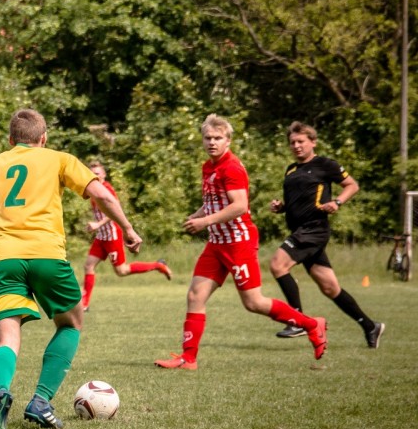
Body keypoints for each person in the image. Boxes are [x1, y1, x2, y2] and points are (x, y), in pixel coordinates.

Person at [0, 108, 143, 429]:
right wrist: (127, 228)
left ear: (10, 140)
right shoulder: (59, 159)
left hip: (2, 260)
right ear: (44, 138)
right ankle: (41, 400)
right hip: (47, 256)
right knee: (71, 323)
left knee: (6, 339)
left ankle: (0, 393)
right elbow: (101, 194)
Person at [154, 114, 327, 371]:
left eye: (218, 138)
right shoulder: (208, 166)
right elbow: (215, 200)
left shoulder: (231, 167)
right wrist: (198, 215)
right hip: (217, 243)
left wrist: (205, 222)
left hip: (238, 242)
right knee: (195, 295)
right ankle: (188, 358)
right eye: (208, 138)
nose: (212, 142)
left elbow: (239, 206)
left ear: (228, 140)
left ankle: (312, 324)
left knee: (253, 302)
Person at [268, 121, 385, 347]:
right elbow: (297, 201)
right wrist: (281, 207)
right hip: (300, 231)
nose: (296, 146)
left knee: (277, 265)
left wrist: (337, 202)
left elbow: (352, 185)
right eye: (292, 142)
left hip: (314, 229)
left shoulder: (325, 164)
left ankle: (297, 321)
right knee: (330, 288)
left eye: (300, 141)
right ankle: (371, 326)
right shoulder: (291, 169)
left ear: (313, 142)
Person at [80, 160, 172, 311]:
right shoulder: (93, 189)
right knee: (88, 266)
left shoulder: (107, 189)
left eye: (97, 174)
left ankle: (158, 265)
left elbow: (114, 210)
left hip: (112, 236)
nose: (94, 176)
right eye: (92, 174)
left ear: (104, 174)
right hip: (101, 237)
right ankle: (85, 303)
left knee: (122, 271)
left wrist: (97, 224)